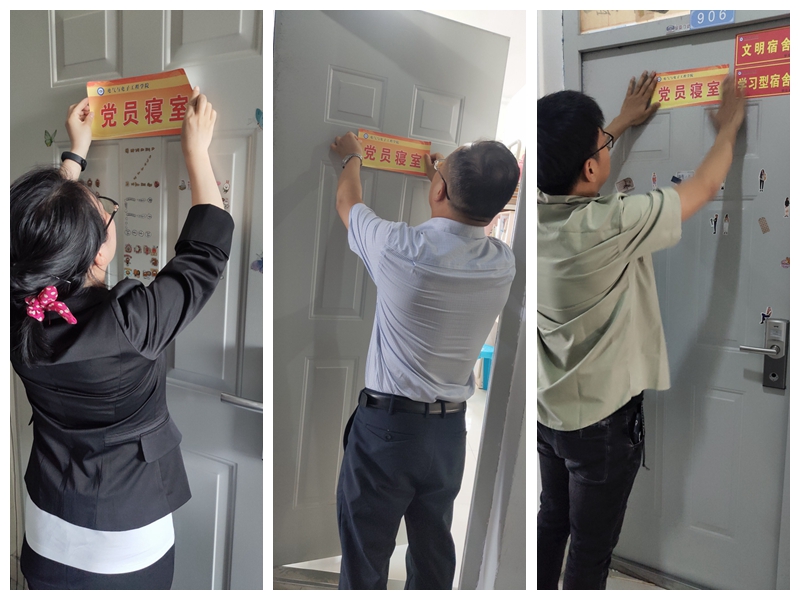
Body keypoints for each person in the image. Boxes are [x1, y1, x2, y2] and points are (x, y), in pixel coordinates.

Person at [10, 87, 233, 590]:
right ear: (98, 252)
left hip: (46, 530)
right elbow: (204, 256)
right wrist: (196, 152)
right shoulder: (130, 324)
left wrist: (75, 154)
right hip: (126, 547)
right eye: (105, 212)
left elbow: (41, 239)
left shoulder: (19, 309)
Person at [537, 71, 745, 590]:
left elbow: (576, 166)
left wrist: (620, 122)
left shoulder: (536, 222)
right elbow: (702, 186)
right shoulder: (613, 222)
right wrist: (728, 128)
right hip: (602, 427)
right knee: (591, 550)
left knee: (552, 521)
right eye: (601, 143)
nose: (606, 145)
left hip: (550, 416)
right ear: (590, 166)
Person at [329, 132, 520, 589]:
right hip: (448, 436)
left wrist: (352, 156)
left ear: (438, 191)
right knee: (433, 559)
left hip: (387, 433)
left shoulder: (399, 247)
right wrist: (446, 175)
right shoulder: (503, 262)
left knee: (364, 559)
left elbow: (347, 202)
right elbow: (464, 217)